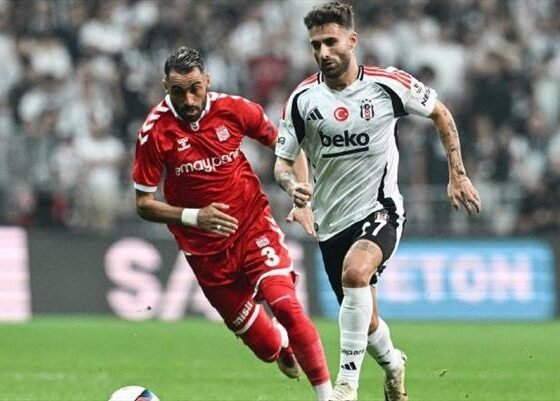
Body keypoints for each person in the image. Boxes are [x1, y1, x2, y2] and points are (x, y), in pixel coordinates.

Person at [274, 2, 482, 401]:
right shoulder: (302, 99)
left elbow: (440, 113)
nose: (323, 52)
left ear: (352, 41)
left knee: (356, 274)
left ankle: (346, 388)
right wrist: (292, 188)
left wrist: (457, 173)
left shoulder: (388, 85)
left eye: (331, 42)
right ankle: (394, 364)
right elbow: (283, 161)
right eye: (316, 45)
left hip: (380, 210)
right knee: (366, 323)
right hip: (330, 223)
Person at [132, 46, 332, 401]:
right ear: (165, 87)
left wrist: (301, 195)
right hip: (205, 253)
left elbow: (289, 148)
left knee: (286, 306)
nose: (188, 99)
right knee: (266, 347)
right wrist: (196, 217)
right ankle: (281, 347)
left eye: (195, 88)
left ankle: (329, 396)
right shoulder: (154, 132)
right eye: (178, 91)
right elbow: (144, 204)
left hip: (252, 227)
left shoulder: (235, 110)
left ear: (207, 81)